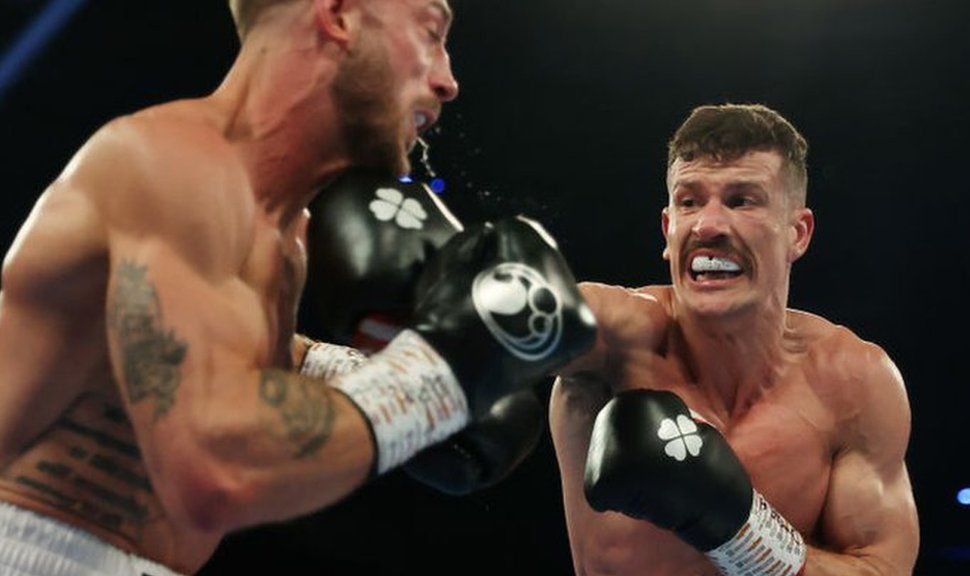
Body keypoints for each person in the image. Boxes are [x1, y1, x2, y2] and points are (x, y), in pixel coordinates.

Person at [0, 1, 596, 574]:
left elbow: (194, 353)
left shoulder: (287, 233)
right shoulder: (169, 164)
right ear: (338, 15)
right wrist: (440, 376)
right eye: (430, 32)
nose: (447, 81)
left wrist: (340, 367)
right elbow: (214, 474)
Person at [550, 103, 920, 575]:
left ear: (798, 233)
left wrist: (742, 534)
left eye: (742, 200)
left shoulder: (851, 381)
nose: (707, 225)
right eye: (689, 201)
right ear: (668, 228)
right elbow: (538, 315)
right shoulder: (621, 341)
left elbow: (882, 570)